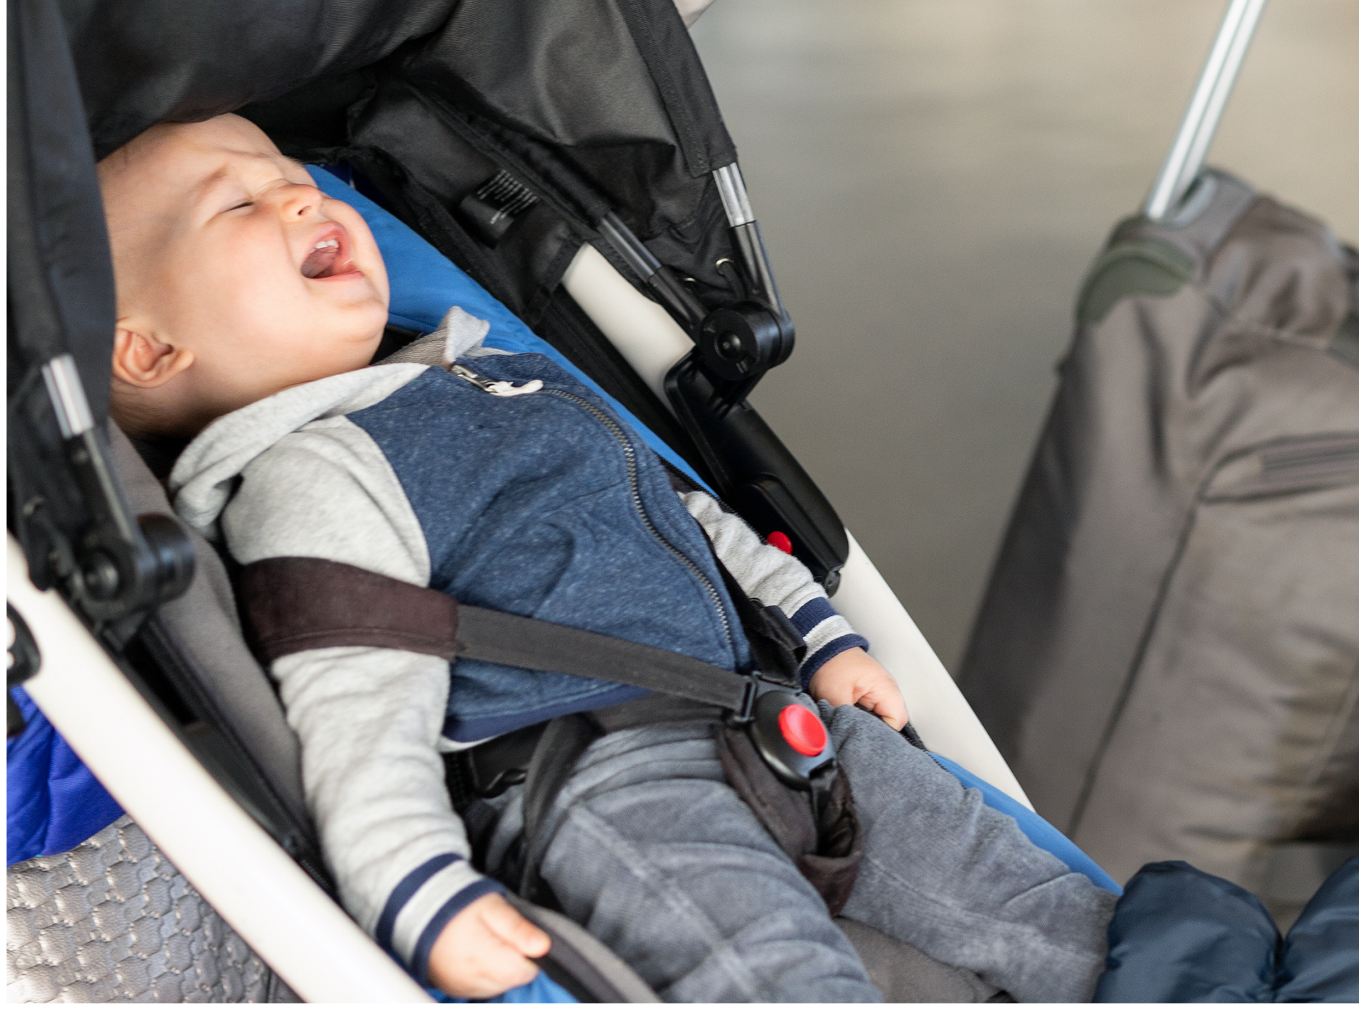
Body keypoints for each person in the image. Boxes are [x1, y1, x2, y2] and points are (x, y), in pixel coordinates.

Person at [99, 113, 1117, 1001]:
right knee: (772, 978)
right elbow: (361, 704)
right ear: (148, 350)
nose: (293, 198)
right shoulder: (313, 474)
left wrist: (816, 631)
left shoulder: (498, 377)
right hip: (605, 788)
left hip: (767, 717)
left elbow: (688, 516)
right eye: (236, 206)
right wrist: (414, 887)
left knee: (1051, 913)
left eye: (292, 176)